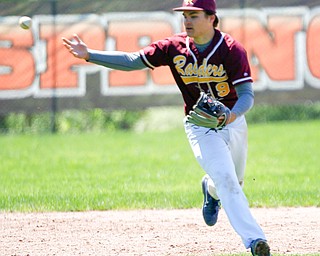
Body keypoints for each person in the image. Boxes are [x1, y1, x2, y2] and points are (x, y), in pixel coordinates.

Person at [62, 0, 271, 255]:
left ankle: (210, 190)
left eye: (194, 15)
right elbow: (132, 60)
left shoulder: (231, 49)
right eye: (185, 15)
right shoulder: (174, 47)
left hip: (233, 122)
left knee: (232, 181)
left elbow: (247, 95)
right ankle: (255, 240)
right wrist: (90, 55)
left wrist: (232, 115)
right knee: (227, 180)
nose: (187, 21)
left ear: (211, 18)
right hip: (200, 125)